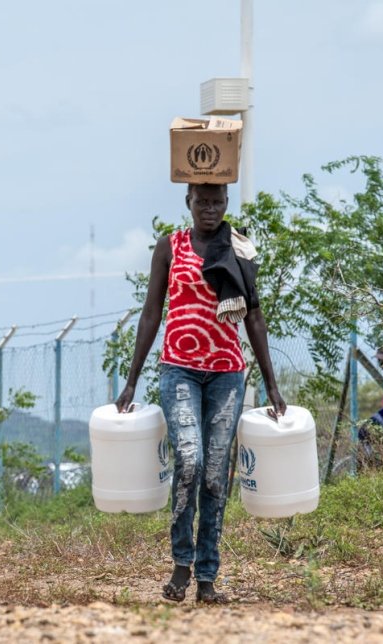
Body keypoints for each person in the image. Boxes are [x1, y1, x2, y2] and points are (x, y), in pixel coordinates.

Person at [115, 183, 287, 604]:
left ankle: (207, 577)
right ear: (188, 202)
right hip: (179, 370)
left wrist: (271, 382)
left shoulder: (239, 248)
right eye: (202, 201)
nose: (209, 209)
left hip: (227, 373)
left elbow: (255, 318)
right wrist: (132, 378)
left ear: (226, 204)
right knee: (189, 461)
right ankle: (181, 564)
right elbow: (152, 311)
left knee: (214, 474)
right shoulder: (169, 246)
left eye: (217, 202)